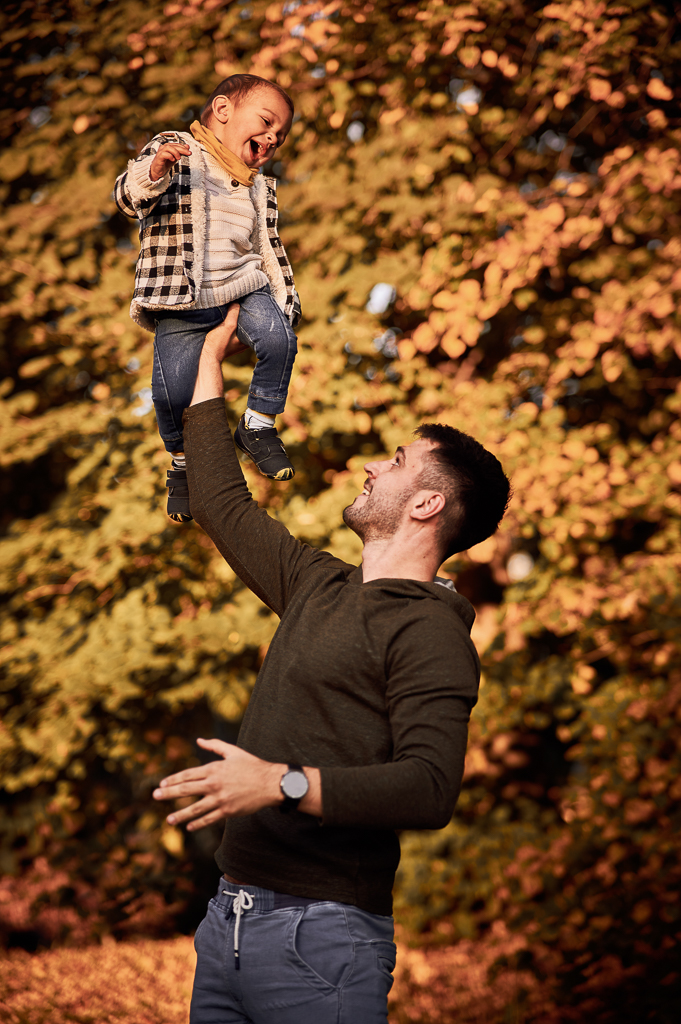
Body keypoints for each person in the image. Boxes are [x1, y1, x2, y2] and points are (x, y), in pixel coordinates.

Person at [153, 307, 511, 1024]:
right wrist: (206, 371)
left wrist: (280, 783)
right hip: (229, 923)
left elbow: (429, 789)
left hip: (321, 942)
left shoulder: (432, 633)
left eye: (399, 462)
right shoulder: (317, 584)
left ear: (427, 503)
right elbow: (223, 505)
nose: (375, 465)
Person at [113, 74, 301, 523]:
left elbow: (267, 248)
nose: (274, 137)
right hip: (180, 300)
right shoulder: (177, 149)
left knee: (280, 340)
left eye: (282, 134)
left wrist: (285, 302)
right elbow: (126, 197)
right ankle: (180, 466)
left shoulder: (258, 185)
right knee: (170, 393)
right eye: (267, 122)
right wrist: (154, 169)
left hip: (242, 286)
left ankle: (258, 425)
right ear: (222, 111)